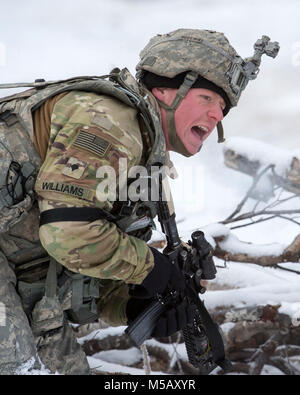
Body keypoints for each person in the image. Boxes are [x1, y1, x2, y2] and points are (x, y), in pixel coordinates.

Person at [0, 29, 279, 375]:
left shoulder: (147, 162)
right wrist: (151, 268)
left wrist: (131, 303)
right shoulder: (111, 122)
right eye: (207, 98)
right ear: (164, 90)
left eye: (223, 107)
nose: (218, 116)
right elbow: (68, 233)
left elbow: (76, 262)